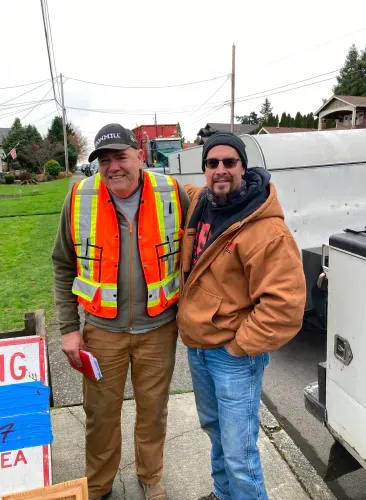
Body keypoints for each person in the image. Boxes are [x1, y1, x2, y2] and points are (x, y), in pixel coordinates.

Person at [52, 123, 189, 500]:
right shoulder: (79, 197)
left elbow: (198, 252)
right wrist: (68, 329)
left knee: (153, 412)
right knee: (100, 417)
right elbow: (63, 265)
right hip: (101, 332)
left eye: (121, 157)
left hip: (159, 330)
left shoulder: (172, 193)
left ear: (140, 156)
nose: (113, 167)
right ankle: (98, 486)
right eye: (104, 160)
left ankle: (151, 477)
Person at [177, 132, 306, 500]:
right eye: (212, 163)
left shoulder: (265, 229)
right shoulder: (202, 202)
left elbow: (285, 306)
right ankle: (222, 495)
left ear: (243, 167)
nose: (220, 169)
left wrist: (239, 347)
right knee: (216, 434)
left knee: (239, 454)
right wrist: (136, 170)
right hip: (199, 350)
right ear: (204, 170)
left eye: (229, 162)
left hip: (232, 358)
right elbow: (178, 189)